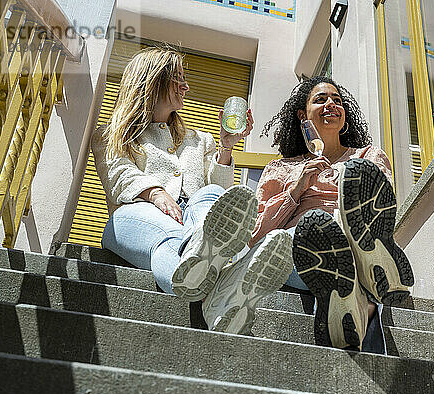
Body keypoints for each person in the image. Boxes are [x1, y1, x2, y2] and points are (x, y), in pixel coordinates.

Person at [92, 47, 293, 335]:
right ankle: (225, 282)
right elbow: (119, 176)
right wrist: (155, 193)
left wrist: (226, 147)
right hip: (138, 218)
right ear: (152, 81)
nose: (186, 86)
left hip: (195, 218)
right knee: (166, 237)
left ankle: (201, 256)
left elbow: (222, 197)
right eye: (178, 78)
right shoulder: (111, 134)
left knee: (206, 195)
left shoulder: (200, 140)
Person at [251, 76, 414, 353]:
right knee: (321, 244)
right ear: (302, 115)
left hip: (352, 238)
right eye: (321, 99)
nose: (331, 104)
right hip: (303, 250)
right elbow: (256, 234)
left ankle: (358, 258)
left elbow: (384, 210)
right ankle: (370, 267)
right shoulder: (281, 169)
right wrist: (295, 190)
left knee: (344, 253)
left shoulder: (367, 157)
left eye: (337, 101)